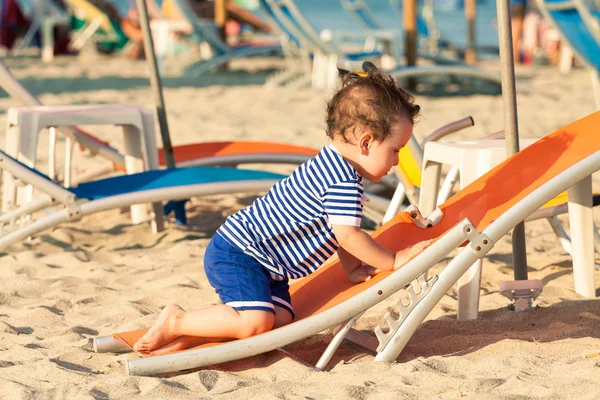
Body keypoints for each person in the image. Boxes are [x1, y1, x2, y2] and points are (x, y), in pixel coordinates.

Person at [133, 67, 430, 356]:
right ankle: (177, 320)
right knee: (257, 323)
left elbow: (338, 230)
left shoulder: (331, 165)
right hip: (242, 252)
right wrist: (392, 261)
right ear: (366, 142)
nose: (396, 161)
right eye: (395, 150)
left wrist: (352, 268)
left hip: (267, 266)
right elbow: (348, 235)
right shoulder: (343, 183)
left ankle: (198, 330)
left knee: (282, 320)